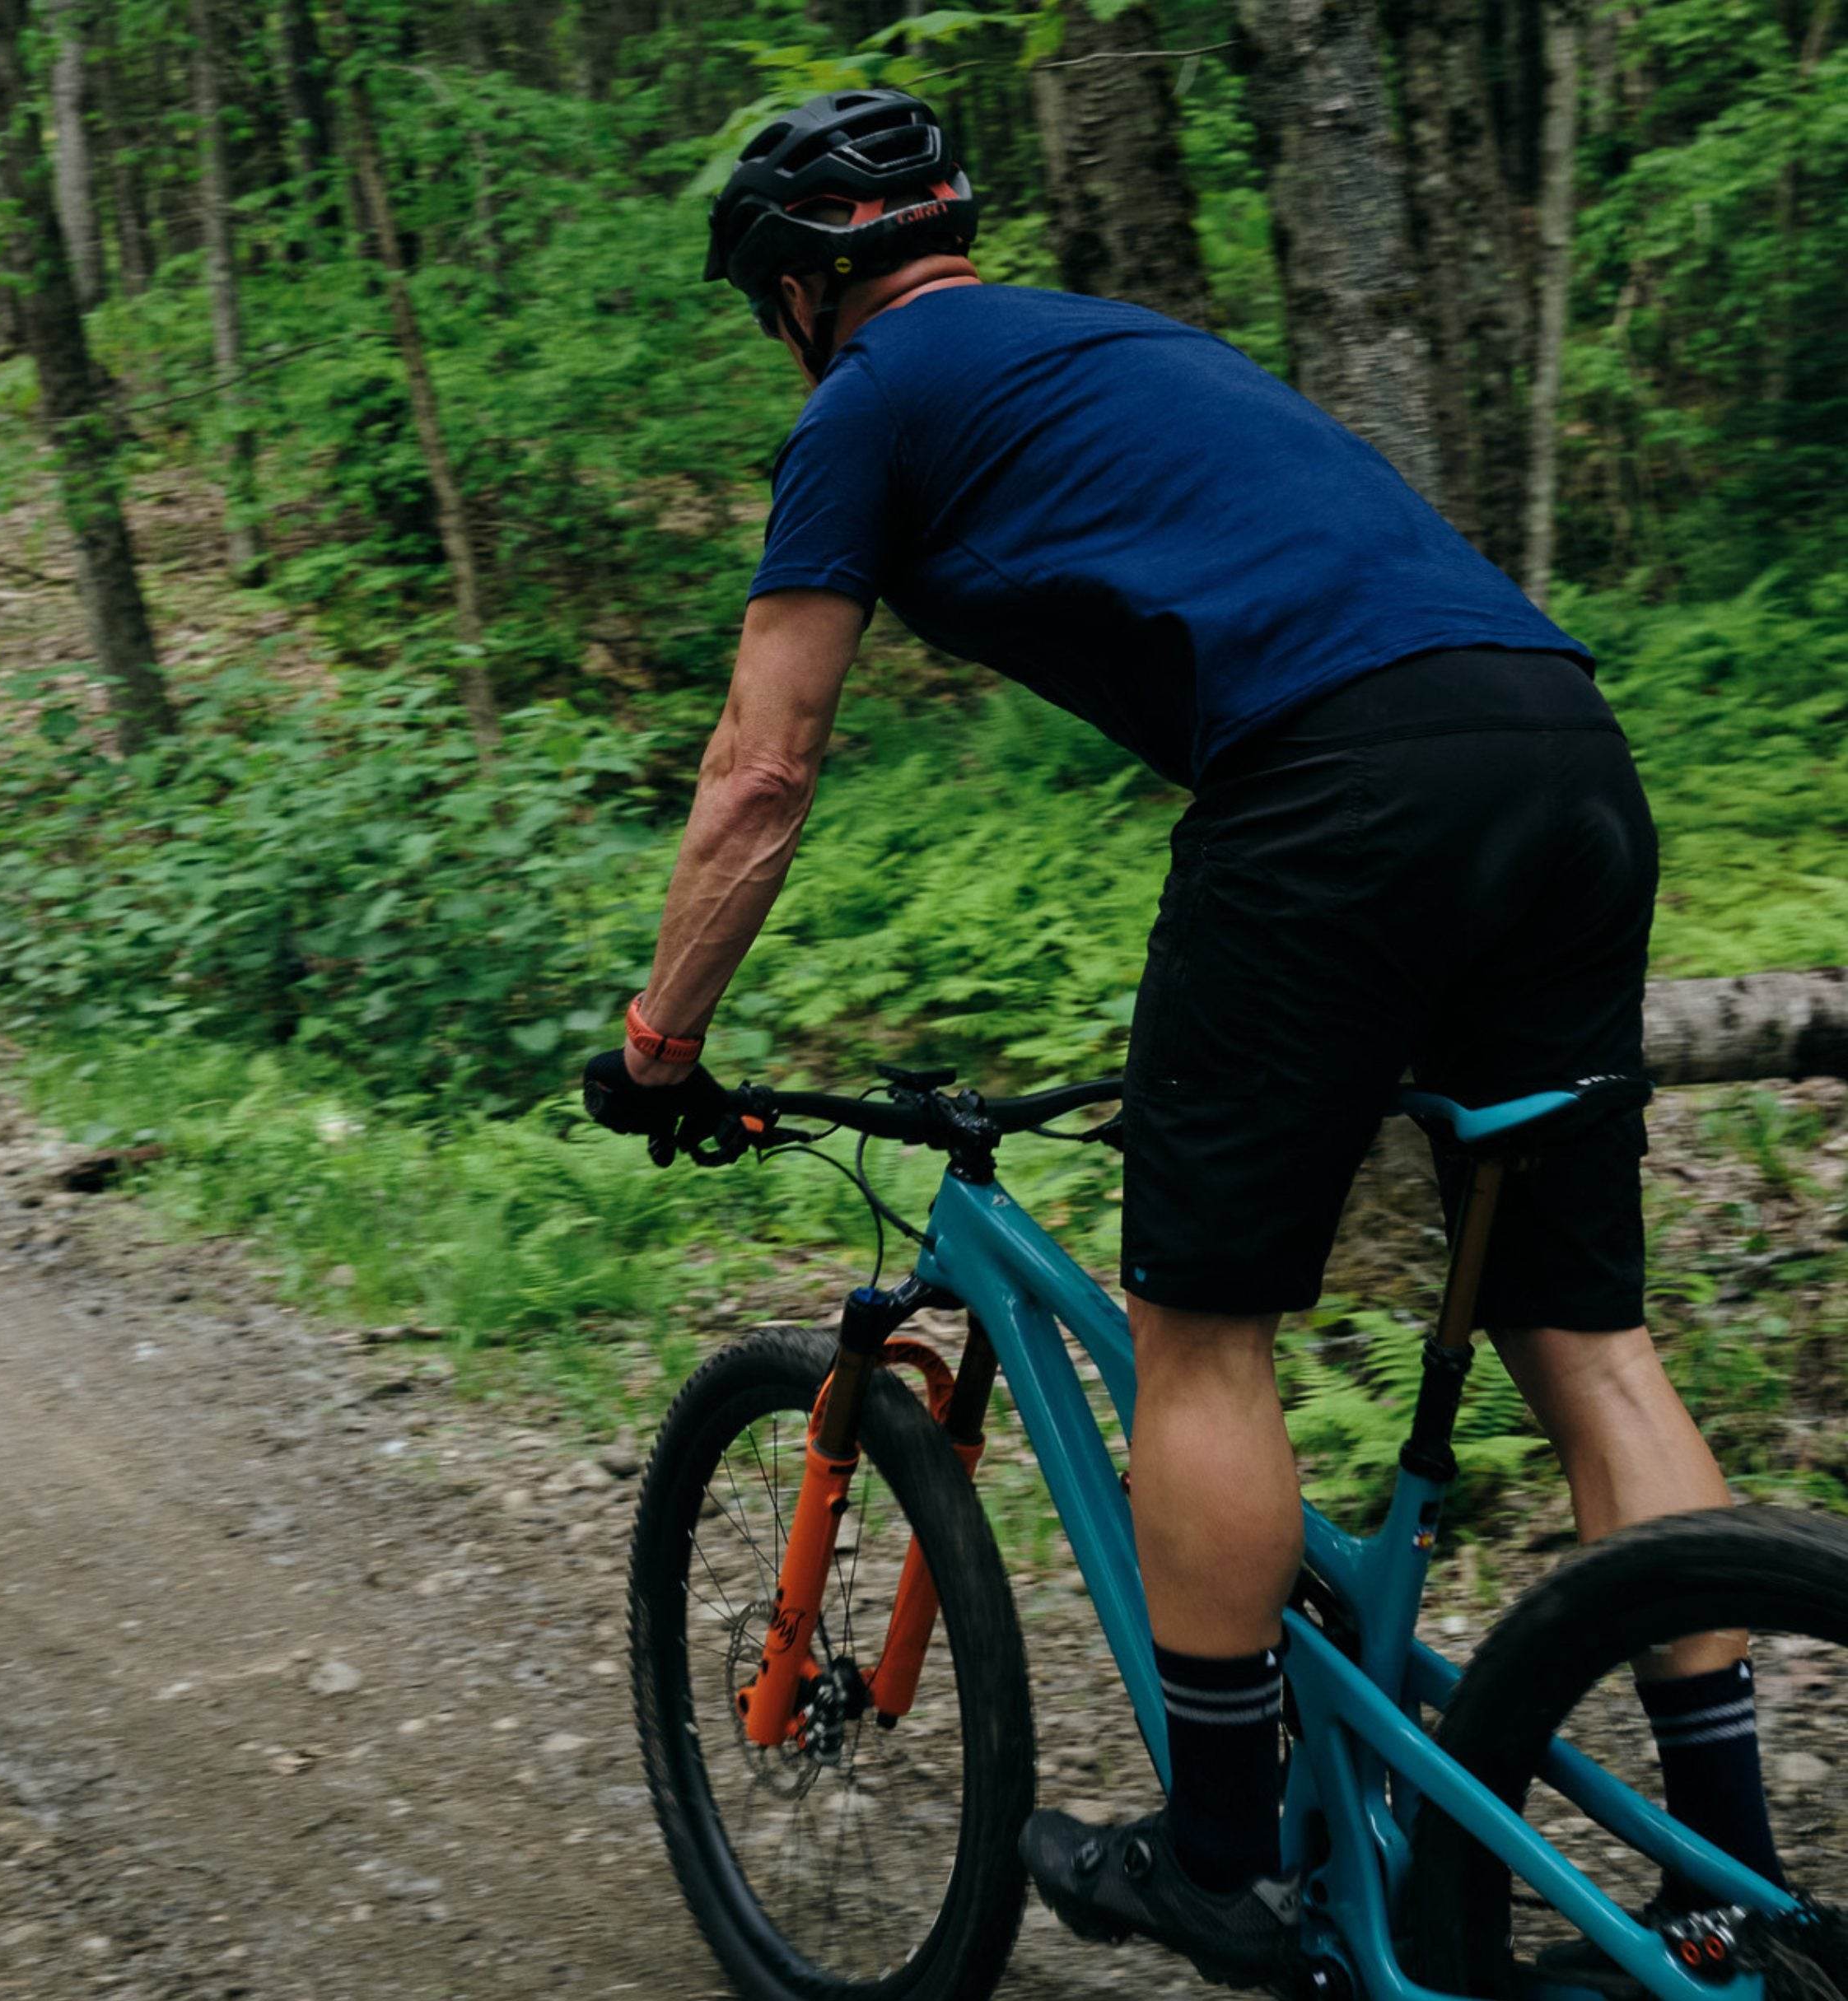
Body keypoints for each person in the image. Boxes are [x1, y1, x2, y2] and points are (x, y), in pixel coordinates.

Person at [581, 89, 1781, 1987]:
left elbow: (758, 773)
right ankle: (1735, 1877)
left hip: (1337, 785)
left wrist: (661, 1040)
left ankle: (1227, 1860)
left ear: (808, 290)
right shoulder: (1128, 343)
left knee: (1201, 1331)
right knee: (1592, 1340)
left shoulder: (868, 403)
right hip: (1562, 752)